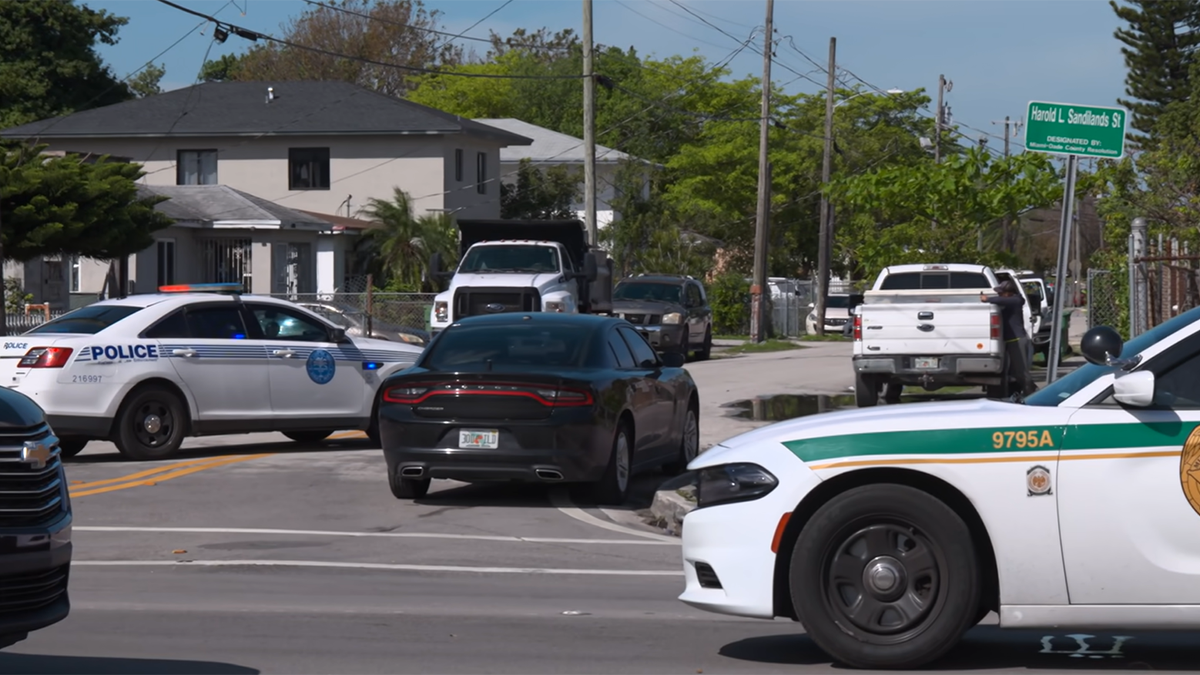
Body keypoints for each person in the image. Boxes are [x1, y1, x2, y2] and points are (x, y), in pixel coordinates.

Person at [980, 280, 1036, 400]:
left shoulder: (1016, 300)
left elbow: (1000, 300)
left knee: (1021, 372)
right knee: (1015, 373)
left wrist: (987, 299)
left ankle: (1032, 395)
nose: (1000, 295)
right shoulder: (1010, 301)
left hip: (1017, 339)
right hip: (1012, 340)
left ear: (1008, 293)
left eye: (1001, 293)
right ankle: (1026, 393)